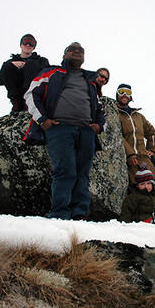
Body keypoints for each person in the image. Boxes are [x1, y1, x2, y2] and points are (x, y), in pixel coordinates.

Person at [23, 42, 105, 220]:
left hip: (86, 131)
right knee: (65, 170)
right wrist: (43, 120)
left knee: (82, 173)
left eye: (80, 51)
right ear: (64, 55)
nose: (77, 52)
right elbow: (31, 94)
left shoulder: (90, 80)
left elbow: (98, 106)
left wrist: (99, 125)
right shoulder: (51, 73)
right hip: (60, 129)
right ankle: (60, 214)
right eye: (72, 50)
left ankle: (79, 214)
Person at [116, 83, 155, 194]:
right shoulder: (115, 114)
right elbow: (117, 136)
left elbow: (151, 133)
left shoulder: (138, 116)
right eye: (121, 92)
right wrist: (130, 154)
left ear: (131, 97)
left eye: (128, 92)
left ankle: (154, 210)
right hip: (129, 159)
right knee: (137, 188)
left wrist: (153, 150)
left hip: (144, 157)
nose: (125, 95)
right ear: (117, 94)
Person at [0, 34, 49, 113]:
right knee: (7, 65)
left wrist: (28, 65)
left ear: (34, 47)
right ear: (21, 45)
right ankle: (17, 102)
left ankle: (29, 100)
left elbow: (47, 75)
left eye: (31, 43)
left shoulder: (41, 61)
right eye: (25, 41)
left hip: (34, 92)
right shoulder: (10, 62)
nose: (28, 45)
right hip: (17, 94)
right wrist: (12, 65)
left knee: (31, 64)